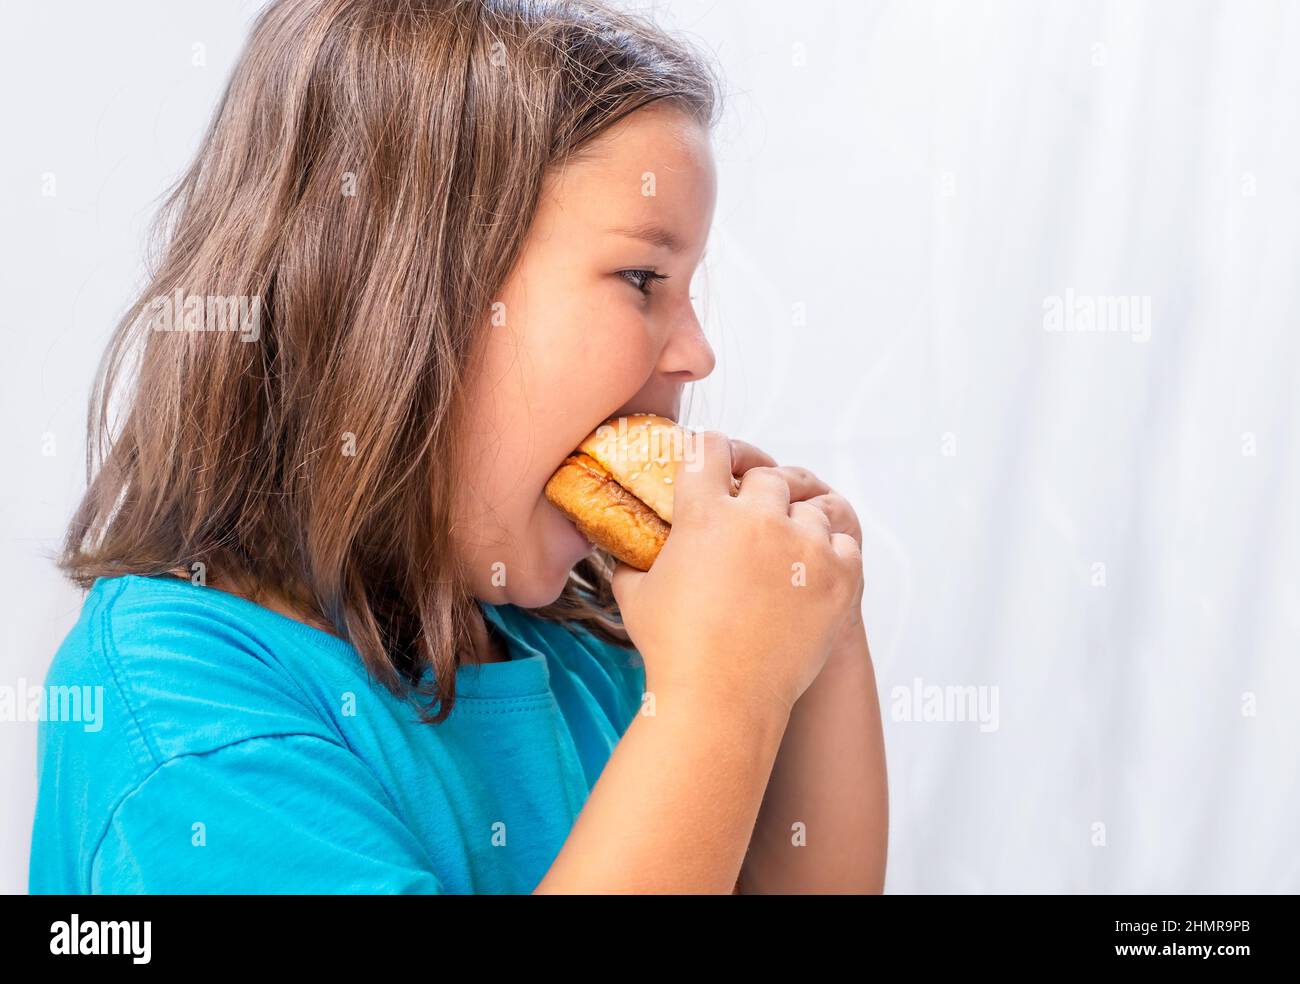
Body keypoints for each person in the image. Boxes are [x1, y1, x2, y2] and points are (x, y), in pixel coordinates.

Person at [29, 0, 886, 894]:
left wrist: (816, 633)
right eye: (642, 278)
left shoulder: (593, 654)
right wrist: (718, 703)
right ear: (400, 300)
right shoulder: (187, 714)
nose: (696, 353)